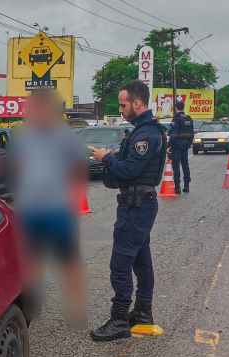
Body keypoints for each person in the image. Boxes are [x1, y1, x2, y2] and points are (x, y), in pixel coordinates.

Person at [88, 80, 166, 341]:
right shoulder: (140, 132)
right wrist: (113, 156)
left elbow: (129, 171)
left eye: (123, 105)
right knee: (141, 261)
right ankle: (142, 312)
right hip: (137, 204)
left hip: (137, 206)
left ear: (137, 103)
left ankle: (119, 320)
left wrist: (106, 158)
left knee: (120, 263)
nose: (121, 110)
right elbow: (120, 175)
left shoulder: (145, 135)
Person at [10, 88, 88, 330]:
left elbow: (79, 168)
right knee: (31, 258)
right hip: (29, 210)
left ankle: (77, 309)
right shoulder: (21, 137)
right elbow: (17, 167)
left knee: (69, 261)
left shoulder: (67, 137)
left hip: (58, 210)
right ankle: (32, 301)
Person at [167, 101, 194, 194]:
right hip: (185, 145)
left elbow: (173, 134)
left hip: (176, 145)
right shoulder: (189, 118)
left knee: (176, 166)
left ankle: (177, 187)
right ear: (183, 107)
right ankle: (187, 186)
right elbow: (191, 134)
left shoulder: (176, 118)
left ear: (176, 107)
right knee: (185, 165)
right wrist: (188, 143)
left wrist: (168, 145)